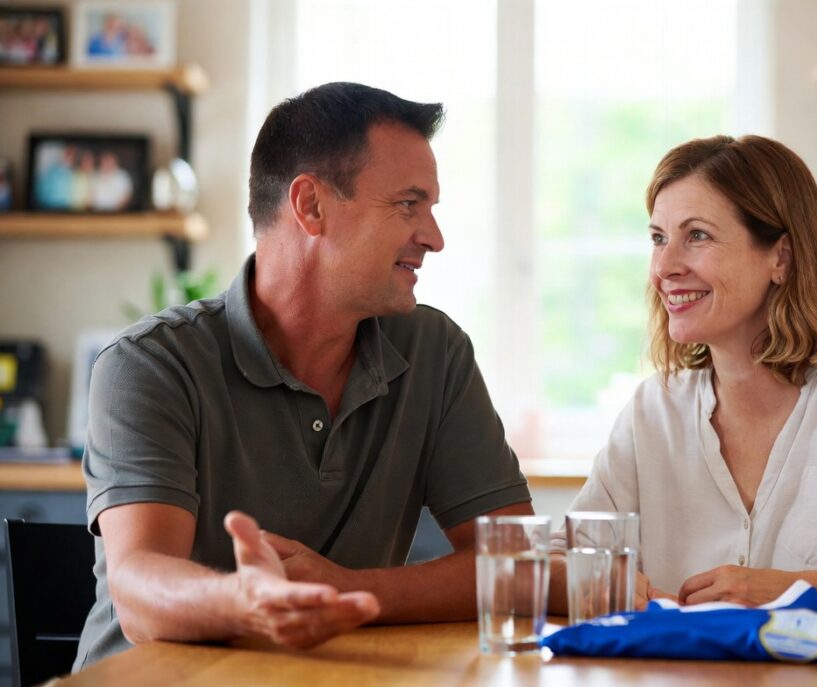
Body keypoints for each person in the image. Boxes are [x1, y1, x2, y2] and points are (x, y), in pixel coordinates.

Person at [74, 82, 533, 668]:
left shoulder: (434, 352)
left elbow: (518, 562)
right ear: (310, 206)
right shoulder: (149, 365)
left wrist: (346, 589)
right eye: (408, 205)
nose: (434, 238)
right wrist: (245, 602)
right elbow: (138, 593)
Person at [549, 135, 817, 613]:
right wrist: (606, 582)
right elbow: (560, 560)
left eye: (698, 236)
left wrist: (796, 590)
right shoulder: (653, 411)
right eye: (658, 239)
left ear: (781, 258)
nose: (663, 267)